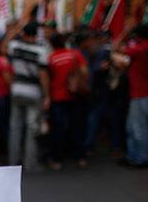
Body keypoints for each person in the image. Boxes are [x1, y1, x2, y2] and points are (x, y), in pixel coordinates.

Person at [6, 21, 50, 170]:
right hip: (33, 92)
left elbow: (3, 47)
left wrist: (15, 31)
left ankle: (13, 161)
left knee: (15, 126)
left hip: (17, 89)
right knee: (32, 128)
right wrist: (47, 95)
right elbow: (43, 75)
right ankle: (30, 163)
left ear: (24, 33)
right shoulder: (42, 50)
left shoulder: (15, 46)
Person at [116, 24, 148, 167]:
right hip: (146, 92)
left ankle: (140, 158)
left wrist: (124, 33)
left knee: (138, 128)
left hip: (140, 94)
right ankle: (133, 156)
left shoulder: (139, 49)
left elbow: (117, 51)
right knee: (135, 126)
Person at [45, 31, 89, 170]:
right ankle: (81, 157)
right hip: (75, 95)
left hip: (58, 96)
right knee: (77, 126)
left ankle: (57, 159)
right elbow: (85, 71)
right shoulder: (75, 54)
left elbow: (48, 78)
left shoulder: (51, 58)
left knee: (58, 129)